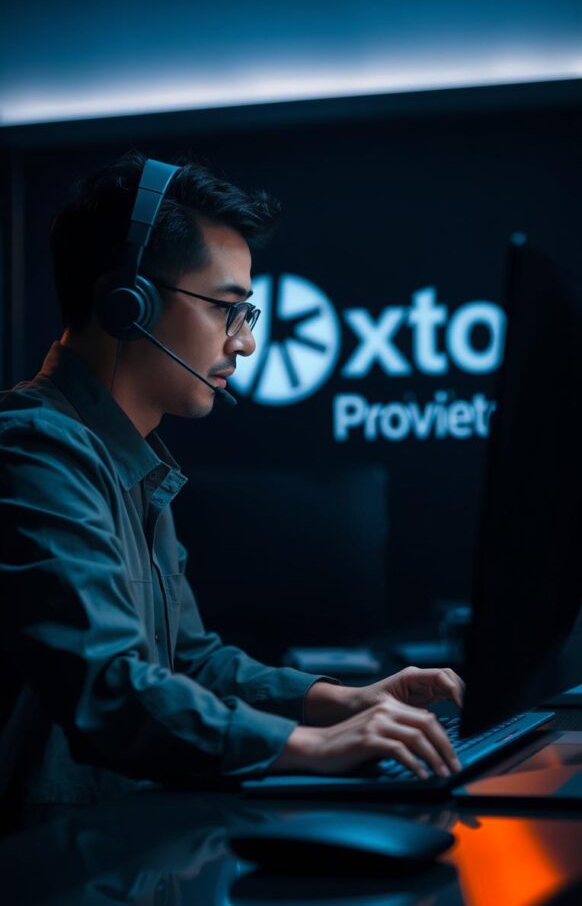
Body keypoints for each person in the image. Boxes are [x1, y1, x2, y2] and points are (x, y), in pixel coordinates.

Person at [0, 151, 463, 813]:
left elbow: (189, 661)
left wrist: (339, 703)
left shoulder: (133, 461)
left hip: (119, 844)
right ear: (127, 305)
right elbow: (109, 688)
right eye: (226, 309)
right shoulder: (32, 451)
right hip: (45, 857)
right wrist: (312, 748)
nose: (244, 344)